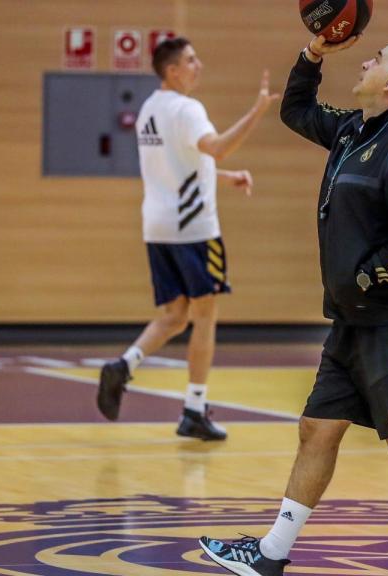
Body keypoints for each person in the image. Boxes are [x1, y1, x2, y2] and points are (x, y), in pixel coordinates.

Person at [198, 35, 388, 576]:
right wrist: (312, 53)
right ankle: (271, 555)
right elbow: (296, 110)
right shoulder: (352, 130)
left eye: (377, 60)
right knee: (316, 429)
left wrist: (369, 277)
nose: (365, 61)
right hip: (351, 322)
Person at [95, 37, 280, 440]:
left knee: (174, 315)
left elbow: (179, 164)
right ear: (173, 70)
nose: (200, 65)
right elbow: (217, 149)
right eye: (192, 60)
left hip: (157, 227)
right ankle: (194, 408)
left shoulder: (149, 109)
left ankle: (123, 366)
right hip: (194, 229)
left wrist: (226, 179)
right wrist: (256, 111)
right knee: (205, 316)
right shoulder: (188, 109)